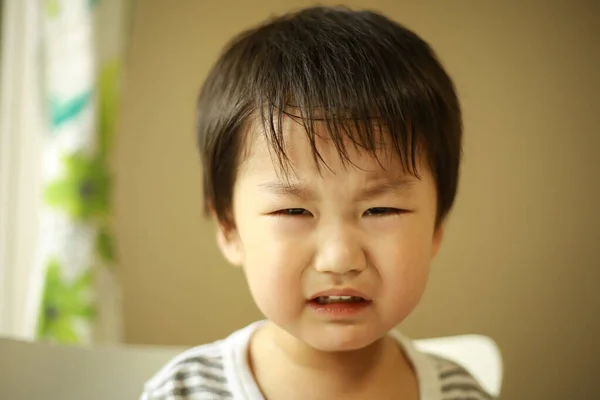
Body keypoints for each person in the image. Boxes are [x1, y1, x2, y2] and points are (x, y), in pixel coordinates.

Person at [141, 6, 493, 400]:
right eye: (294, 211)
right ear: (229, 227)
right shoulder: (184, 392)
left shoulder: (462, 393)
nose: (340, 258)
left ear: (437, 226)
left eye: (381, 209)